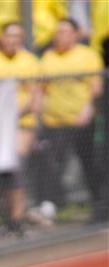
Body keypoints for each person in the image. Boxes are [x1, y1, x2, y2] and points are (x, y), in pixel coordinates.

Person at [38, 18, 106, 222]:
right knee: (53, 163)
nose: (60, 36)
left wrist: (86, 112)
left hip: (81, 121)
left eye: (65, 31)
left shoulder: (88, 56)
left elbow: (96, 88)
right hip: (55, 122)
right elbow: (42, 89)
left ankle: (100, 205)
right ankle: (49, 206)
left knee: (88, 163)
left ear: (76, 34)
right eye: (58, 32)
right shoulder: (49, 57)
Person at [0, 21, 42, 234]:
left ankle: (17, 219)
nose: (12, 40)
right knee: (4, 174)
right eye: (9, 36)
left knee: (16, 168)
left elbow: (34, 94)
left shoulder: (29, 61)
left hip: (22, 123)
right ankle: (9, 217)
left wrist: (15, 111)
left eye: (17, 36)